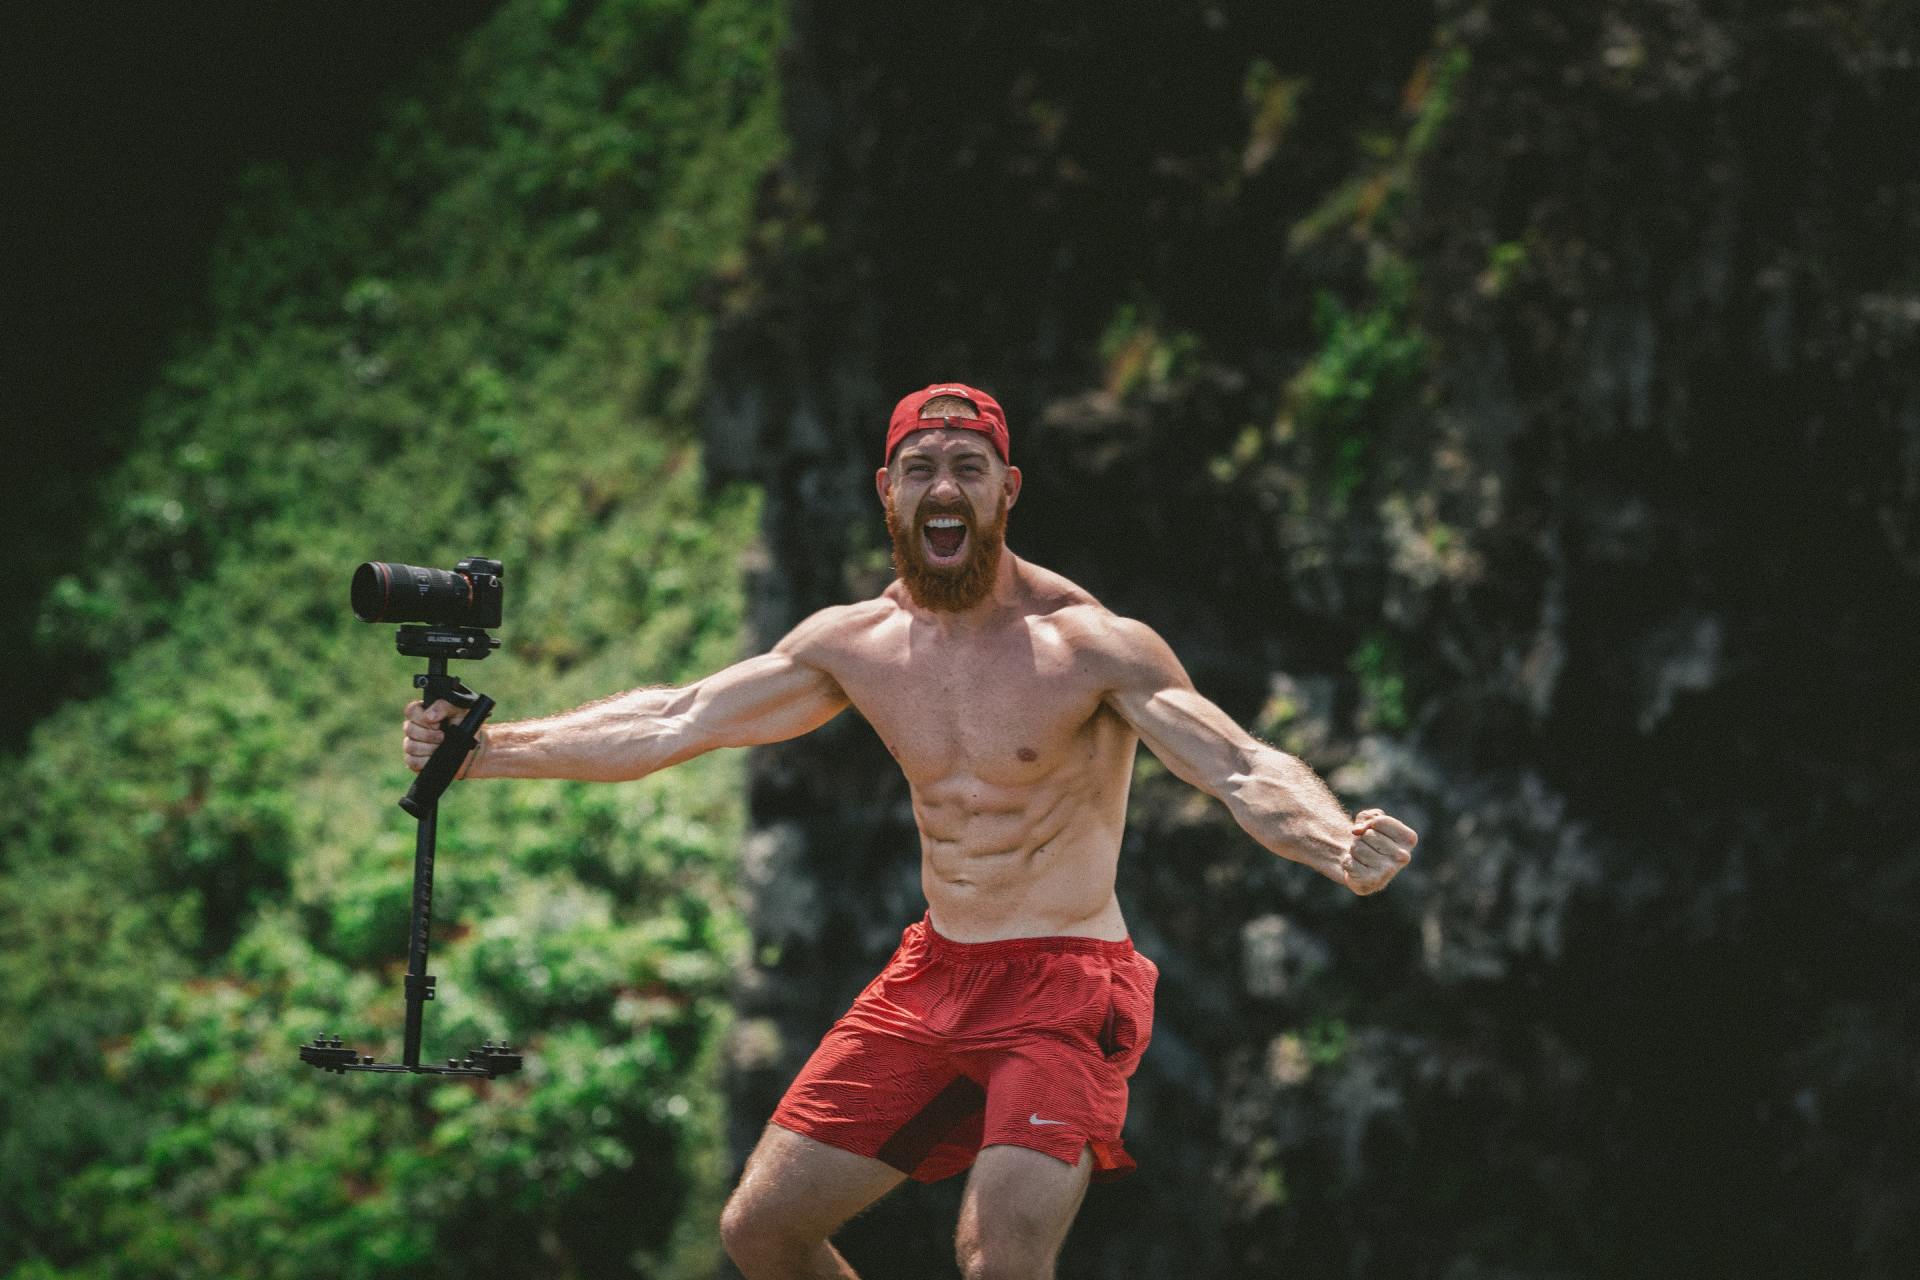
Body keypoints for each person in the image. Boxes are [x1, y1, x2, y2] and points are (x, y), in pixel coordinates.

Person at [403, 382, 1419, 1280]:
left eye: (967, 468)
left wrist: (1332, 837)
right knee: (762, 1230)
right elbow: (677, 717)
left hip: (1066, 985)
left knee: (999, 1255)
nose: (944, 486)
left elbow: (1238, 760)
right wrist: (487, 748)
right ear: (886, 492)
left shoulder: (1088, 646)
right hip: (933, 974)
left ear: (1007, 489)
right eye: (920, 468)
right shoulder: (859, 645)